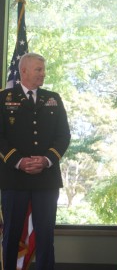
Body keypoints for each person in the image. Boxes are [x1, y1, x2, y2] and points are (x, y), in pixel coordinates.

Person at [0, 52, 71, 270]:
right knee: (11, 233)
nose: (43, 73)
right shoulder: (4, 98)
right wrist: (18, 162)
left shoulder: (53, 98)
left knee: (45, 233)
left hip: (46, 178)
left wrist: (47, 160)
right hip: (14, 177)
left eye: (43, 69)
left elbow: (63, 135)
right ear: (23, 71)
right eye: (38, 69)